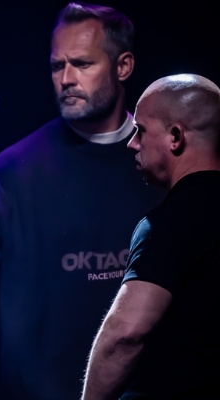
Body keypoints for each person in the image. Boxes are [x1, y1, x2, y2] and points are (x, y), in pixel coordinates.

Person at [0, 2, 165, 399]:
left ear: (123, 66)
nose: (67, 79)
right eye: (58, 66)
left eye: (82, 64)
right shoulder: (14, 173)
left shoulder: (164, 164)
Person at [81, 73, 220, 399]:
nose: (132, 143)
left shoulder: (169, 224)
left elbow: (125, 336)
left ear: (175, 137)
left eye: (141, 130)